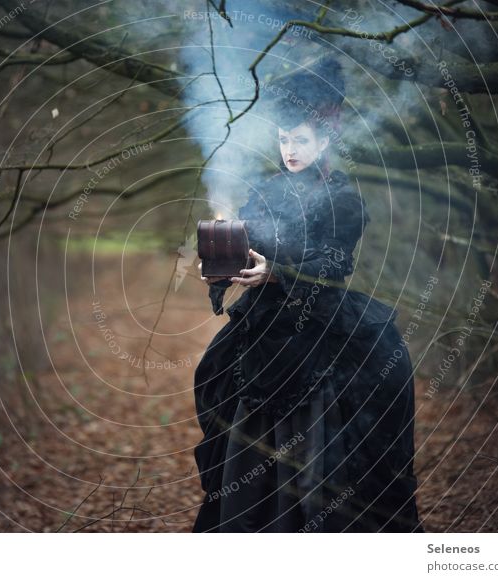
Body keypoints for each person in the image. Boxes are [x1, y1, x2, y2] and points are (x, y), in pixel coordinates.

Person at [192, 57, 424, 532]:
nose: (290, 149)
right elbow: (248, 248)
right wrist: (220, 268)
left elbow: (337, 265)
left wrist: (277, 273)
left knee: (327, 447)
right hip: (262, 332)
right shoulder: (264, 191)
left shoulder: (343, 197)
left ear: (324, 140)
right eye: (283, 139)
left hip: (322, 329)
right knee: (217, 386)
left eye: (301, 140)